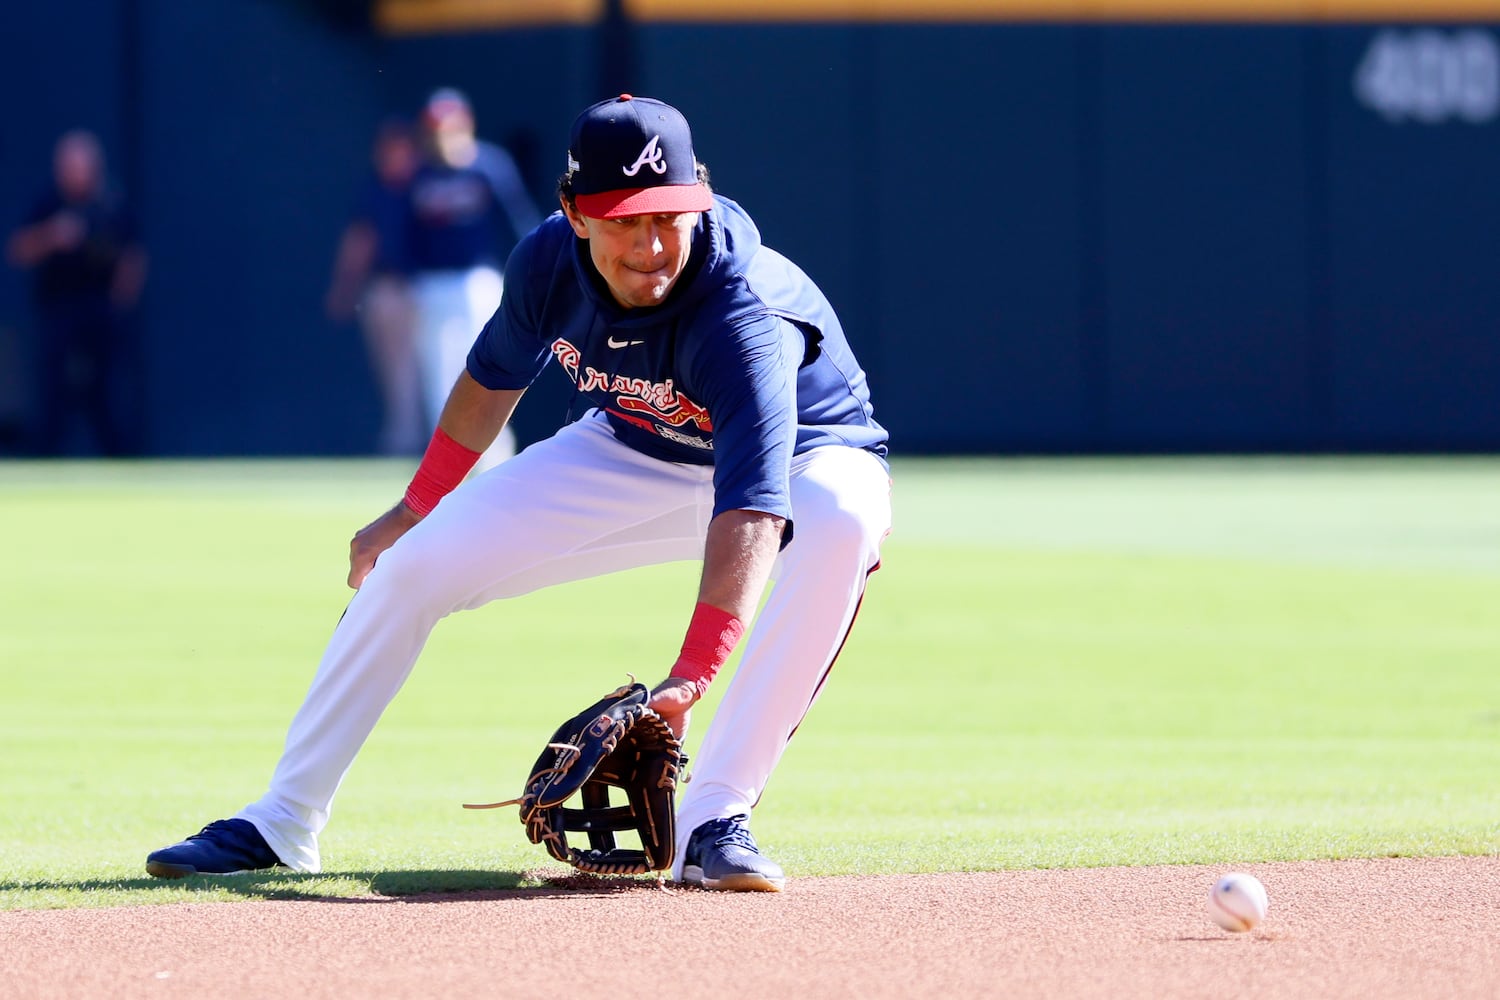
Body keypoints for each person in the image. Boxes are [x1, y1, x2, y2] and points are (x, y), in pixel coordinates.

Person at [145, 94, 891, 893]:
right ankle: (283, 820)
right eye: (625, 219)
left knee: (840, 519)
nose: (650, 244)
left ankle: (714, 820)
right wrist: (411, 510)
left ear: (699, 196)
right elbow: (489, 380)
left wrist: (690, 676)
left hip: (806, 460)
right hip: (634, 442)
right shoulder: (546, 263)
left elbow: (751, 503)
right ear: (574, 213)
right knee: (411, 567)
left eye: (669, 216)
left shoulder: (743, 316)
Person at [407, 87, 540, 469]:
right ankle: (442, 461)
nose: (441, 136)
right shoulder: (420, 173)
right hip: (431, 284)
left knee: (483, 366)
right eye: (435, 129)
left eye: (448, 127)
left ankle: (493, 457)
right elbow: (405, 234)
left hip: (476, 281)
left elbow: (519, 222)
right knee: (437, 370)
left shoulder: (488, 165)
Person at [6, 129, 148, 456]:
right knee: (53, 391)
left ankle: (121, 462)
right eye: (69, 165)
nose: (75, 172)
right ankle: (45, 461)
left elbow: (134, 256)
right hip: (59, 309)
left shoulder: (111, 204)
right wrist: (52, 235)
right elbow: (18, 250)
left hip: (100, 311)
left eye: (81, 165)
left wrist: (119, 302)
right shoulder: (49, 203)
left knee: (107, 393)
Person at [325, 116, 425, 456]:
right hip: (387, 288)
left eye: (401, 150)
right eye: (387, 150)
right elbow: (360, 242)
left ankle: (437, 442)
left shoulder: (426, 187)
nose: (394, 157)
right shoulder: (375, 192)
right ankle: (404, 439)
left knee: (436, 365)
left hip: (427, 289)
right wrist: (344, 288)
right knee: (395, 369)